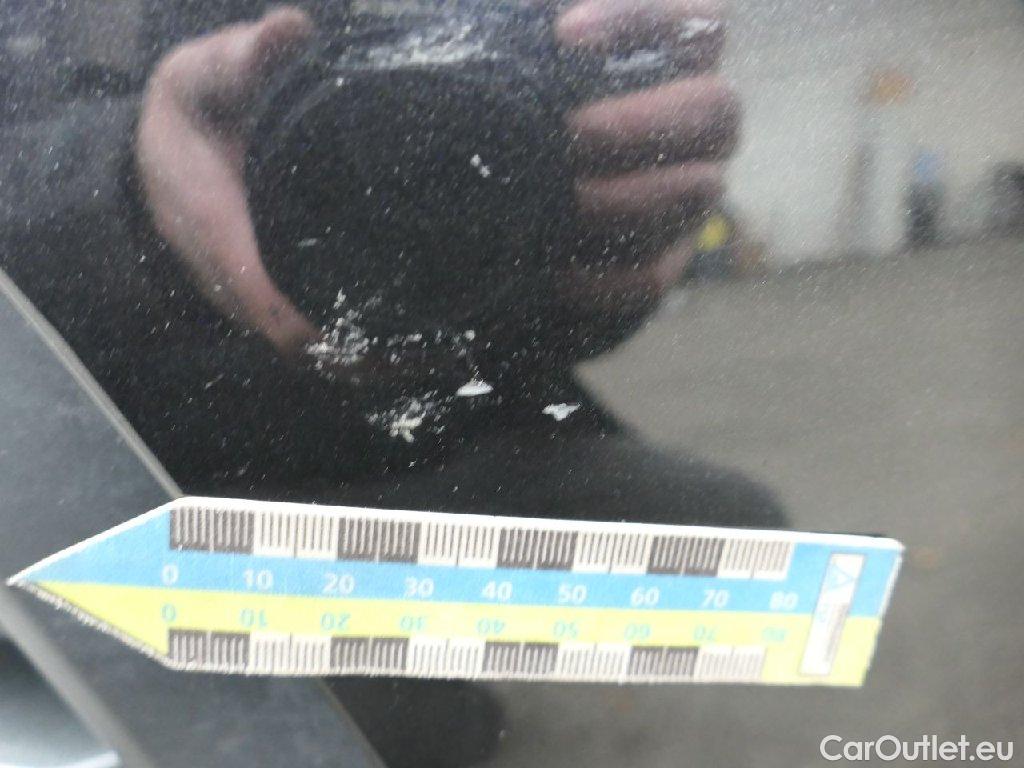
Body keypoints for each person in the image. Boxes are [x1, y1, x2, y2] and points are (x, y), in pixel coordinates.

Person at [0, 1, 784, 765]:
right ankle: (378, 660)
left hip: (411, 445)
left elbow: (531, 327)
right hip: (155, 464)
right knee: (370, 727)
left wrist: (598, 262)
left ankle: (383, 636)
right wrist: (126, 188)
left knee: (740, 542)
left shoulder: (518, 37)